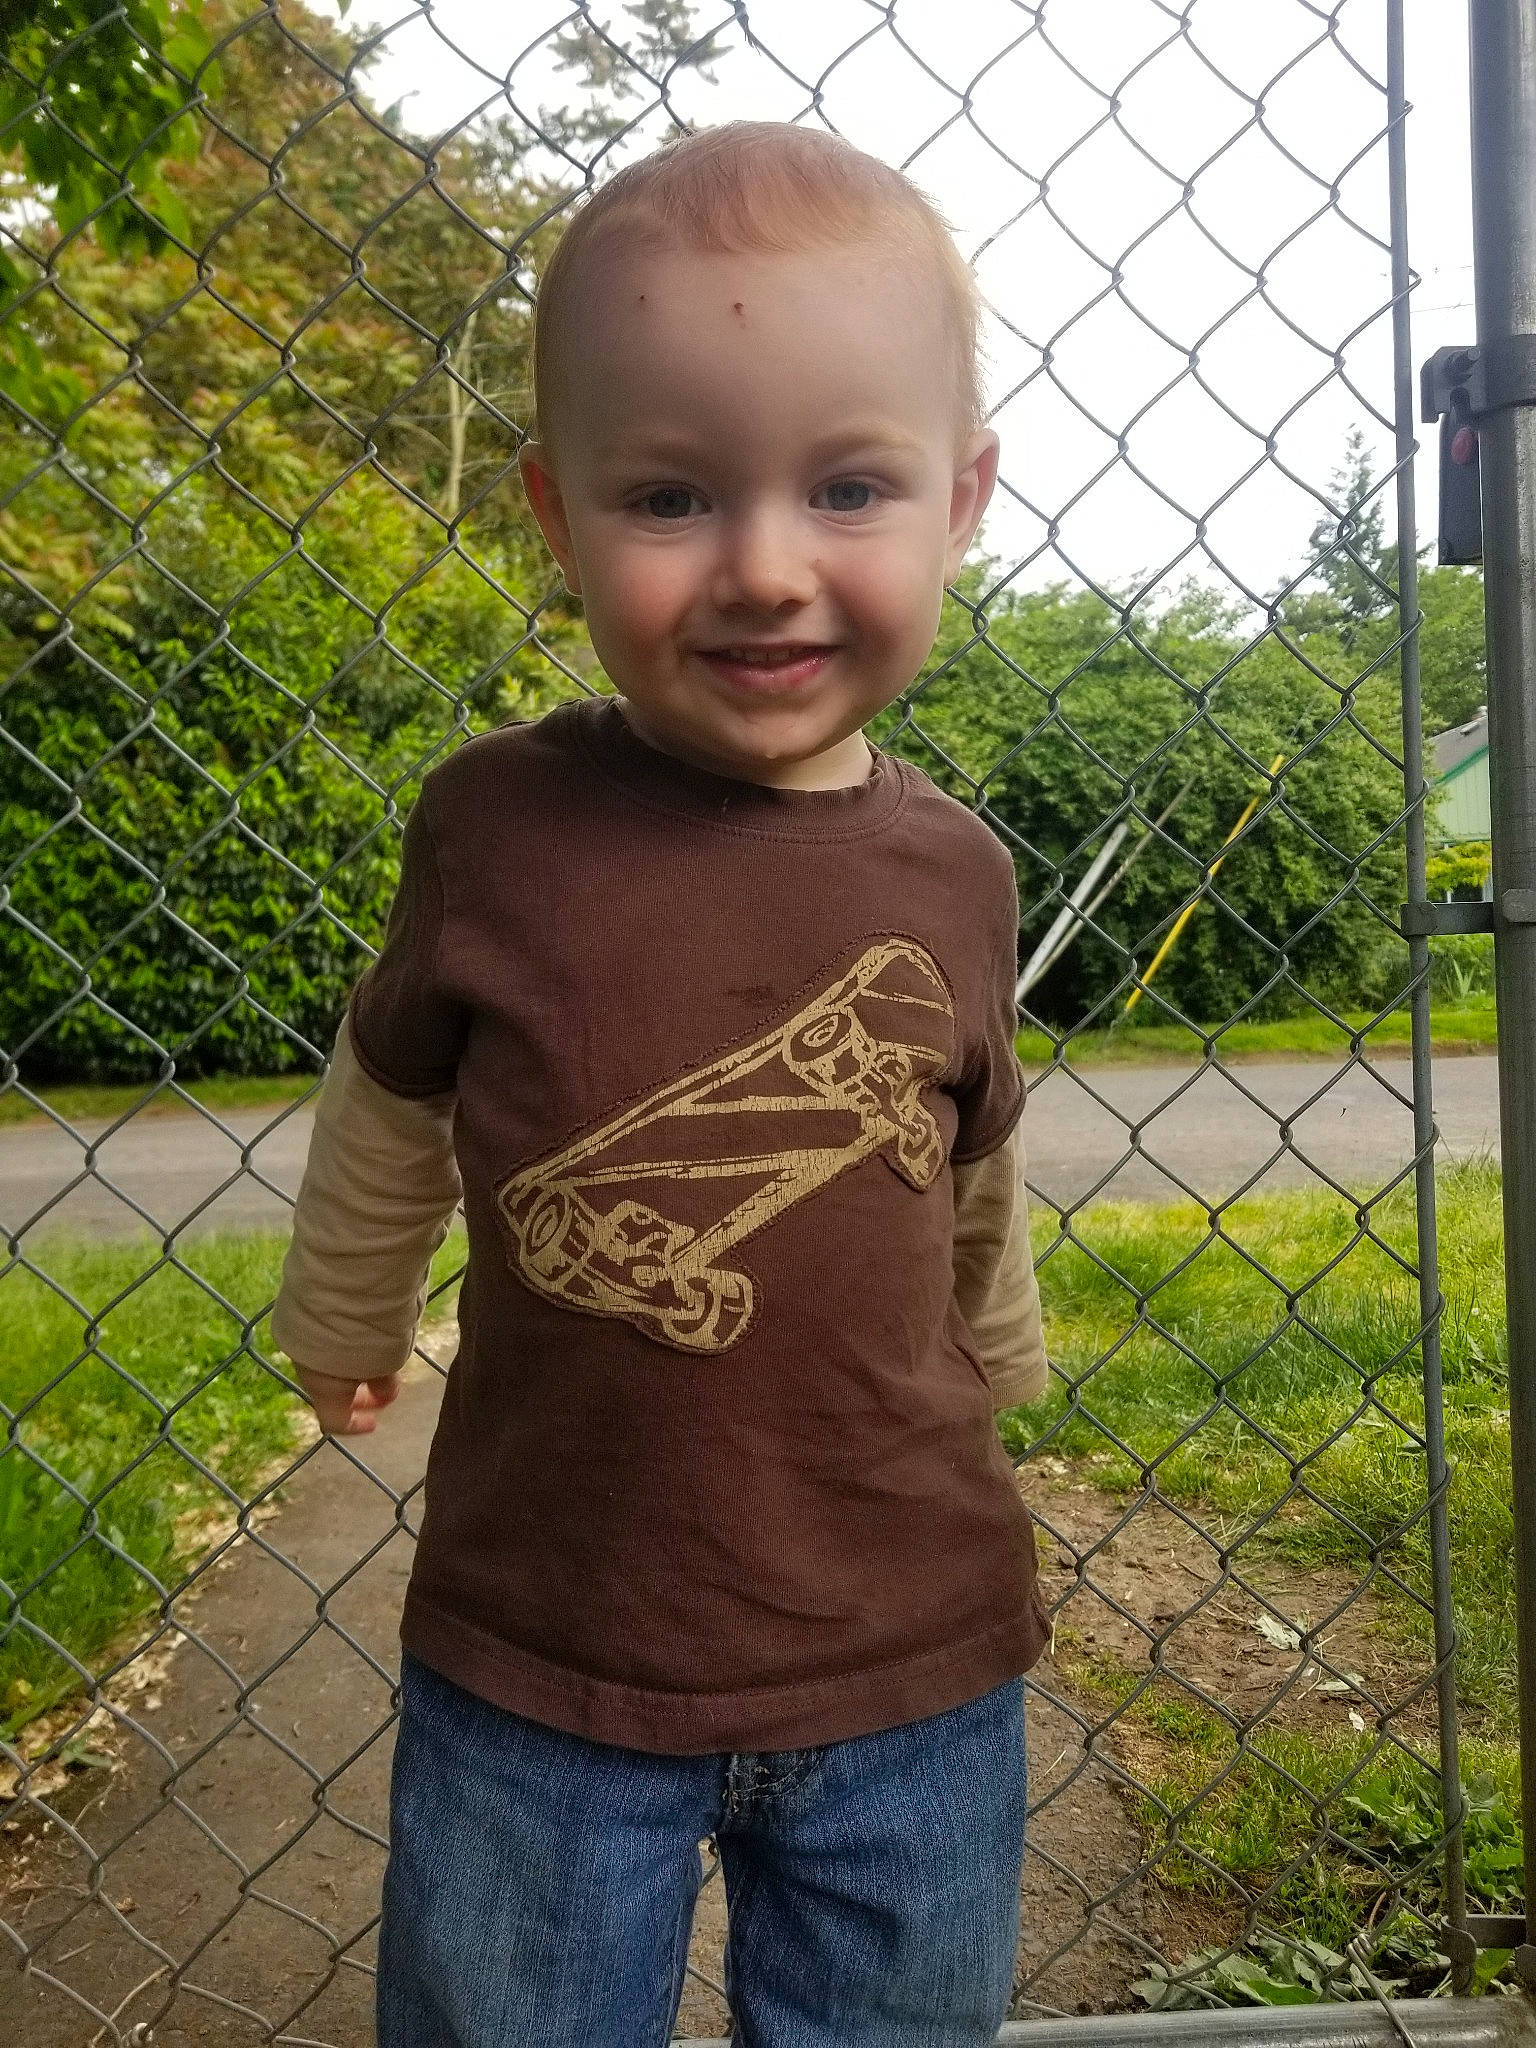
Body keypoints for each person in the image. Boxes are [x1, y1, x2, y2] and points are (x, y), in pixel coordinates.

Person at [271, 119, 1050, 2048]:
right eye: (675, 495)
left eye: (850, 487)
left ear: (962, 502)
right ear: (557, 512)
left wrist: (999, 1346)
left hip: (913, 1660)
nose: (767, 571)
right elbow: (390, 1097)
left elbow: (971, 1145)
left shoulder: (955, 873)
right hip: (549, 1665)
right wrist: (343, 1312)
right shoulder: (500, 828)